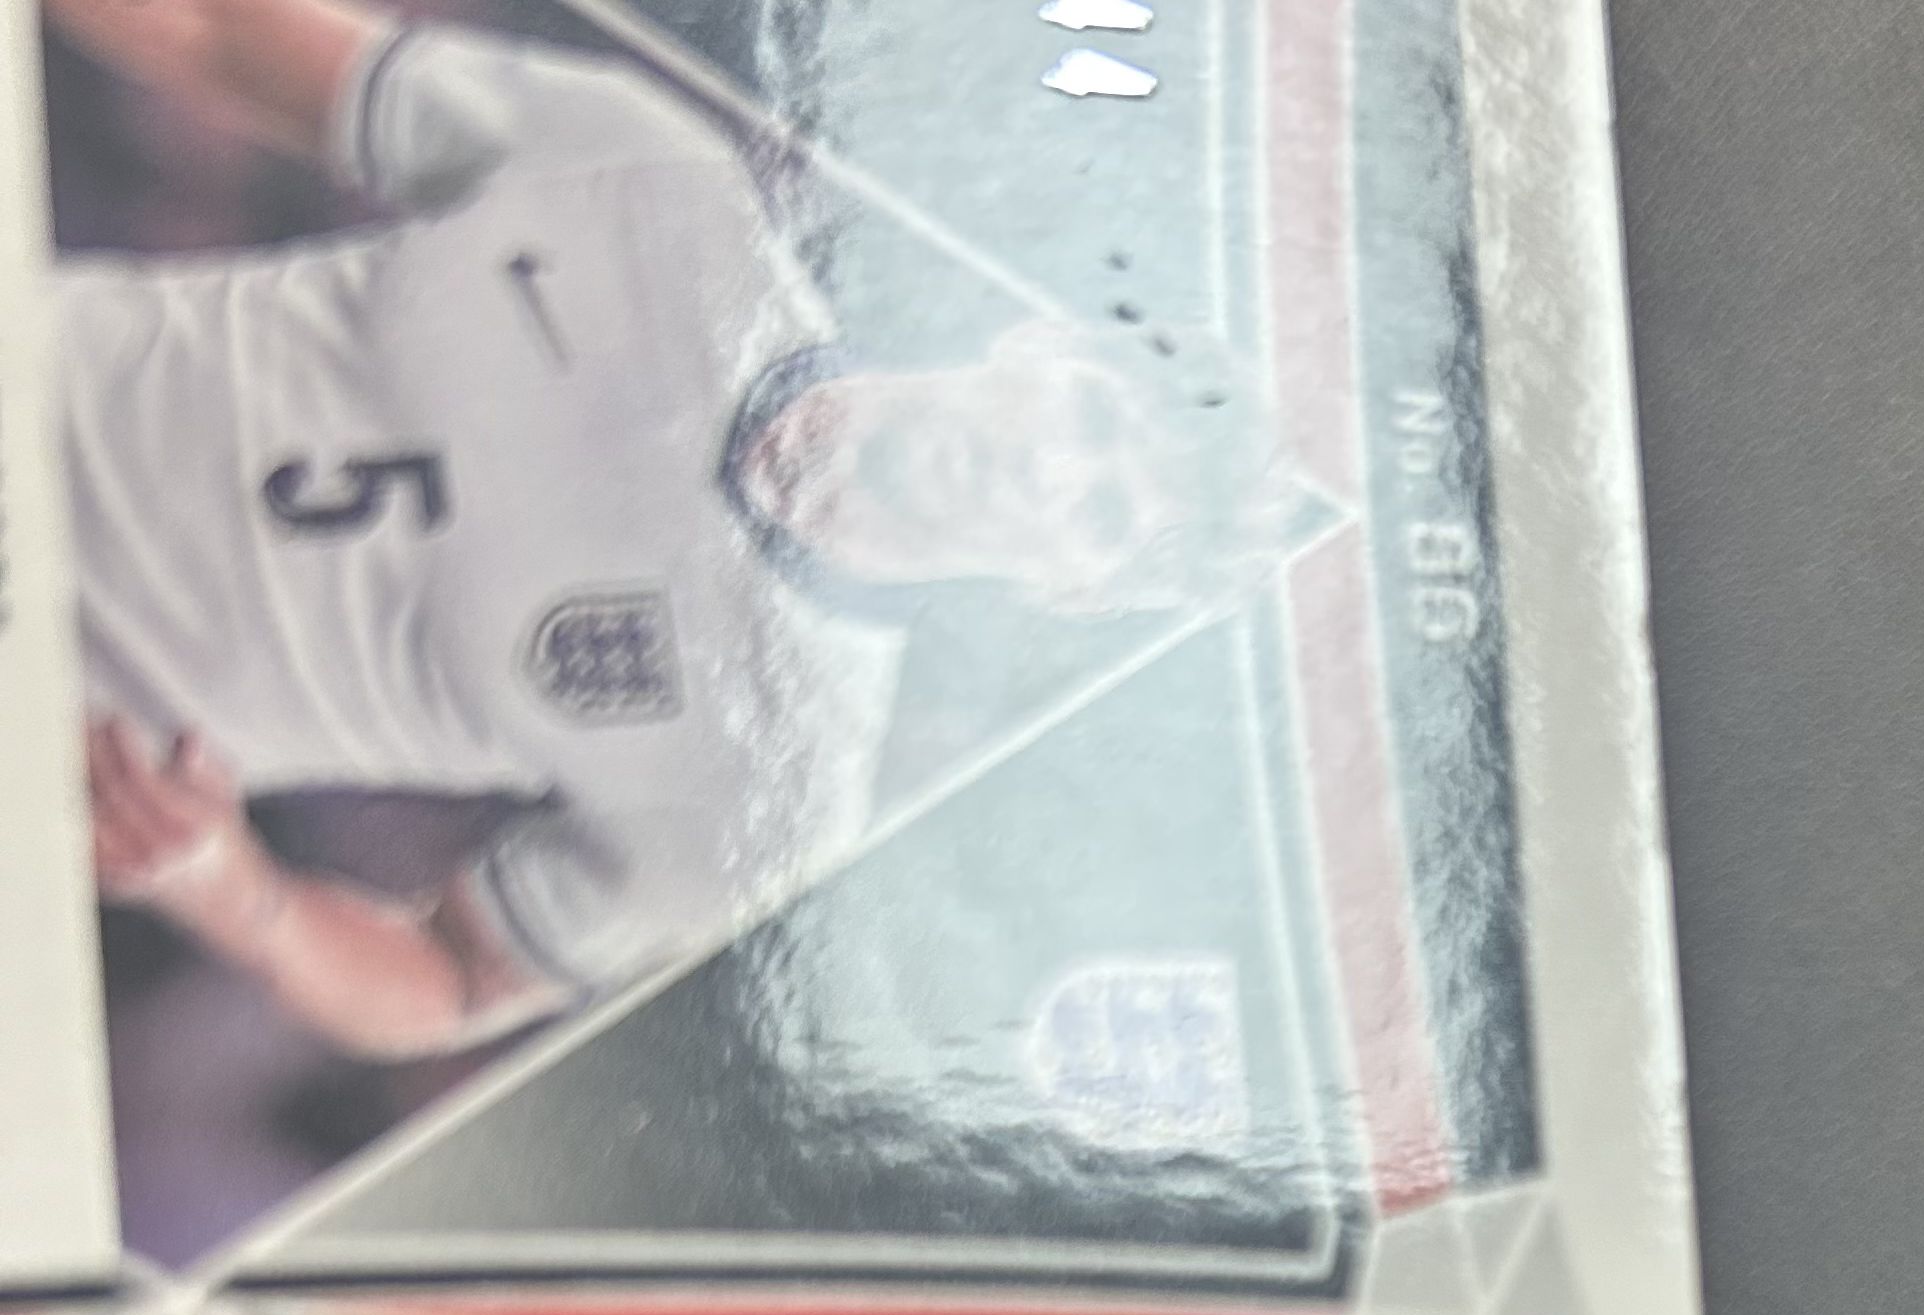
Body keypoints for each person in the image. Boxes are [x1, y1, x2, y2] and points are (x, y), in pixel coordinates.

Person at [50, 0, 1263, 1059]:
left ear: (1072, 589)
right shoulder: (658, 183)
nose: (1048, 471)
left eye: (1101, 511)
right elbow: (219, 34)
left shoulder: (777, 789)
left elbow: (452, 981)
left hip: (48, 704)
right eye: (1092, 417)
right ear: (1040, 341)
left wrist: (225, 886)